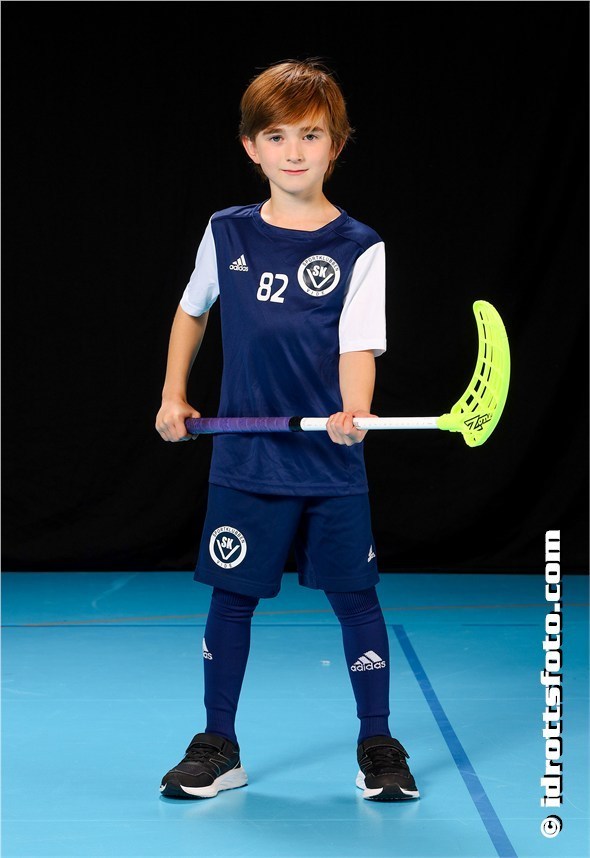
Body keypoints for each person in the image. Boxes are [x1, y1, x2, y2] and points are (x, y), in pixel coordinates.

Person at [155, 58, 419, 803]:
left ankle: (377, 743)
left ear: (337, 144)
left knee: (357, 601)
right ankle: (218, 744)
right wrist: (173, 394)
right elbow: (192, 311)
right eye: (276, 136)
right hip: (246, 457)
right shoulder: (226, 232)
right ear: (252, 147)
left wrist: (353, 414)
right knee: (230, 600)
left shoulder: (360, 245)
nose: (294, 151)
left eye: (311, 134)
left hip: (329, 462)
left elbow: (357, 347)